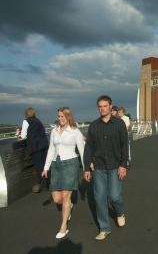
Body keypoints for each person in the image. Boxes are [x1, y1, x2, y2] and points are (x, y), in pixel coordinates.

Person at [83, 95, 129, 241]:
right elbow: (88, 148)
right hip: (100, 167)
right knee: (99, 198)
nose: (102, 108)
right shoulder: (94, 126)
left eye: (104, 105)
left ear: (110, 106)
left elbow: (124, 145)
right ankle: (104, 228)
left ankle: (120, 213)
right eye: (100, 106)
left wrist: (123, 165)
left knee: (114, 197)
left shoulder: (119, 124)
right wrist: (86, 168)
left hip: (115, 165)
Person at [41, 107, 85, 239]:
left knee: (65, 197)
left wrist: (86, 168)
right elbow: (51, 149)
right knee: (57, 199)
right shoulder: (54, 131)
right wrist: (46, 167)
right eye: (58, 116)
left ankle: (63, 227)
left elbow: (81, 150)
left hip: (70, 163)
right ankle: (69, 205)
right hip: (56, 164)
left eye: (62, 116)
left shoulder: (75, 131)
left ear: (69, 117)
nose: (59, 119)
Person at [18, 107, 49, 192]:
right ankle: (47, 183)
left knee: (39, 166)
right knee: (44, 165)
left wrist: (20, 136)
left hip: (35, 147)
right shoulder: (38, 121)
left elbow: (23, 135)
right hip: (43, 145)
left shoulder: (26, 121)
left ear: (26, 114)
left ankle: (43, 185)